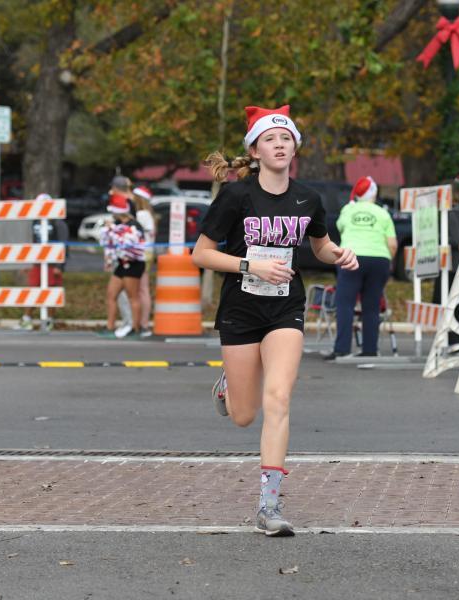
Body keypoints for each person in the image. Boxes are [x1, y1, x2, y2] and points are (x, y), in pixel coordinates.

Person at [192, 104, 358, 537]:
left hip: (286, 307)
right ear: (255, 150)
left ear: (295, 147)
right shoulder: (236, 196)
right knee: (244, 415)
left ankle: (269, 505)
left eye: (287, 138)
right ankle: (229, 386)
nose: (280, 145)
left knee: (279, 398)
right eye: (270, 139)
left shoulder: (309, 199)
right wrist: (252, 266)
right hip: (241, 308)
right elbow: (201, 254)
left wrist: (339, 254)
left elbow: (320, 246)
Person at [324, 176, 397, 359]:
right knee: (372, 306)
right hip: (379, 259)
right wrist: (388, 261)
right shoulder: (383, 213)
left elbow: (341, 228)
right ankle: (370, 350)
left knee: (345, 303)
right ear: (374, 193)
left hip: (351, 257)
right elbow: (392, 244)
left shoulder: (348, 210)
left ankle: (342, 348)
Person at [98, 176, 146, 339]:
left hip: (133, 264)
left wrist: (115, 232)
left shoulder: (134, 226)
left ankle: (136, 328)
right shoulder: (118, 225)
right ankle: (110, 326)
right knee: (111, 294)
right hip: (121, 264)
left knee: (133, 296)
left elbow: (133, 246)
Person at [16, 193, 69, 331]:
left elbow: (64, 244)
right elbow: (29, 242)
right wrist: (27, 262)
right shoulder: (34, 222)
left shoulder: (58, 223)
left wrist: (59, 266)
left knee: (51, 291)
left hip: (52, 263)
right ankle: (27, 319)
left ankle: (49, 320)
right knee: (33, 290)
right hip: (36, 263)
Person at [431, 182, 459, 351]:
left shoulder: (452, 214)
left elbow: (456, 238)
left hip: (450, 264)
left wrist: (441, 240)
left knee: (447, 302)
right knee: (456, 303)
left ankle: (454, 340)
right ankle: (456, 339)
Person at [114, 185, 156, 338]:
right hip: (146, 253)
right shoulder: (147, 214)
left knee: (141, 290)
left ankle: (141, 324)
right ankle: (141, 324)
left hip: (141, 254)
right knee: (141, 290)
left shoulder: (142, 215)